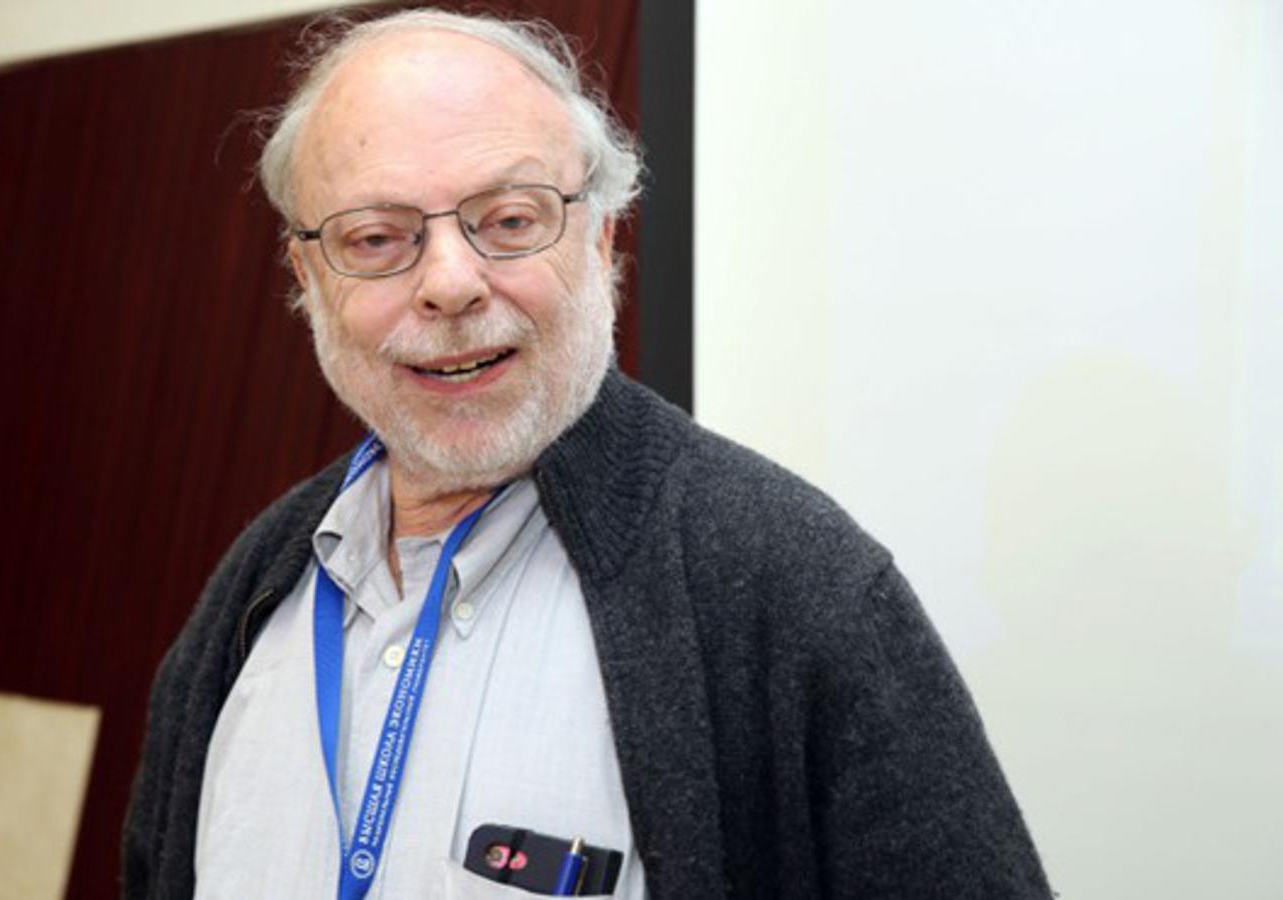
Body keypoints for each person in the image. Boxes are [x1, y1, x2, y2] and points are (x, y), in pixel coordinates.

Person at [122, 9, 1051, 899]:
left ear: (602, 239)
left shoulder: (790, 582)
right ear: (309, 277)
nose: (450, 283)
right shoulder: (250, 597)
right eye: (376, 238)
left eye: (510, 220)